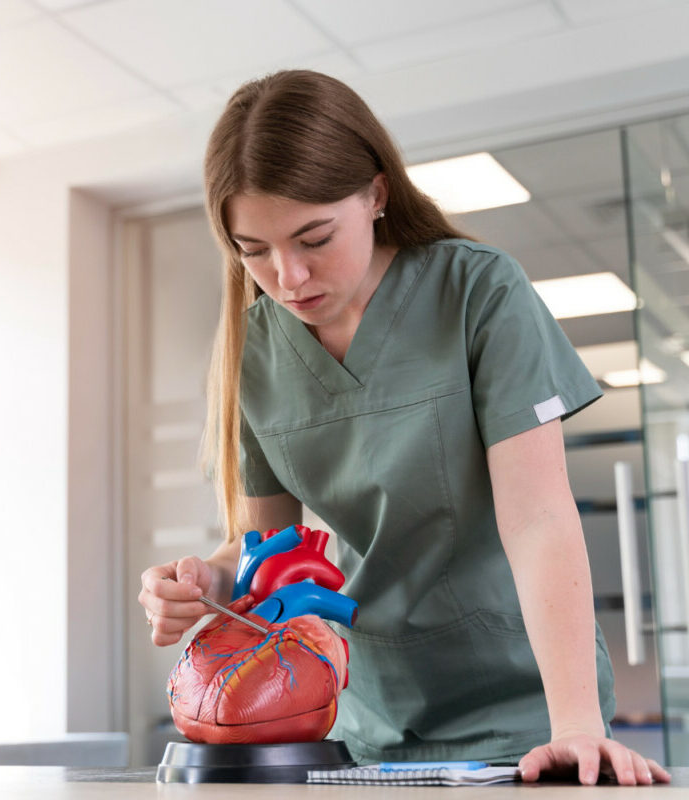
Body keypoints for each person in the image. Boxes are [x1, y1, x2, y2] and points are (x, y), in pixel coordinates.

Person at [138, 70, 670, 785]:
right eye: (253, 250)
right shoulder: (252, 346)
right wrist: (213, 575)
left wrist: (576, 723)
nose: (288, 276)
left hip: (527, 707)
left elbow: (539, 516)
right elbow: (269, 549)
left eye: (313, 236)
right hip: (364, 715)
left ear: (376, 194)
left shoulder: (477, 292)